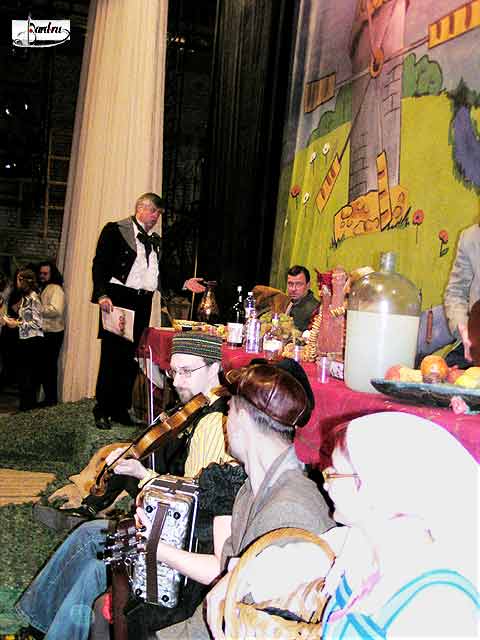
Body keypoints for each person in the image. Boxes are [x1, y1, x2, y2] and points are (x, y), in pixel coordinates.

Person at [17, 332, 235, 640]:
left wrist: (143, 475)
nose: (177, 381)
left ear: (215, 368)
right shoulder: (197, 409)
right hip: (167, 526)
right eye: (173, 372)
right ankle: (39, 625)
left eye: (187, 371)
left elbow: (191, 503)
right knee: (90, 541)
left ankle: (39, 625)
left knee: (93, 548)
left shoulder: (213, 423)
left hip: (179, 542)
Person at [208, 412, 480, 639]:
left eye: (334, 474)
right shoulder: (361, 542)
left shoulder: (438, 601)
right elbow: (297, 560)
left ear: (375, 486)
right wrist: (236, 579)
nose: (326, 484)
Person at [140, 360, 334, 640]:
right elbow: (227, 570)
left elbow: (250, 623)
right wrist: (156, 545)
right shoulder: (252, 488)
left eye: (228, 410)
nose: (225, 422)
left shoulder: (289, 511)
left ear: (243, 419)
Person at [91, 192, 205, 429]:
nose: (155, 217)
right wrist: (102, 294)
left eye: (158, 213)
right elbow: (99, 264)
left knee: (131, 357)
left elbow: (162, 273)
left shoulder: (155, 241)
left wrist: (184, 283)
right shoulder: (115, 230)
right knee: (112, 355)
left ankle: (121, 409)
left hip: (143, 302)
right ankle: (102, 409)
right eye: (153, 211)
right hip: (118, 299)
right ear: (140, 208)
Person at [1, 269, 43, 411]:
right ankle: (25, 407)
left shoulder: (33, 298)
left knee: (27, 377)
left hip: (31, 342)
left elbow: (36, 323)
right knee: (23, 376)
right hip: (24, 340)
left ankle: (27, 408)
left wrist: (16, 324)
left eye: (19, 280)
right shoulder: (26, 297)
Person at [444, 221, 480, 368]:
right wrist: (463, 329)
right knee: (444, 374)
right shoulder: (470, 237)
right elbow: (456, 292)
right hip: (477, 336)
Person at [37, 260, 65, 406]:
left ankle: (51, 400)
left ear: (52, 274)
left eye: (45, 273)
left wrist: (36, 309)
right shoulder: (47, 288)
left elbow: (56, 310)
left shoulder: (56, 289)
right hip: (47, 332)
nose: (42, 276)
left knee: (48, 367)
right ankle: (49, 399)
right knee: (45, 367)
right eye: (41, 273)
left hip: (53, 333)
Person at [285, 265, 319, 332]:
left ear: (308, 285)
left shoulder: (314, 310)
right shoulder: (289, 301)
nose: (293, 289)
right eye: (290, 284)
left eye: (299, 284)